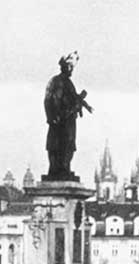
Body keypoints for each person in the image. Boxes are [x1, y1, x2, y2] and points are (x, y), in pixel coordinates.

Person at [44, 51, 92, 180]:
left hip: (69, 120)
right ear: (63, 67)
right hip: (61, 121)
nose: (71, 70)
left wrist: (81, 104)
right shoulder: (57, 81)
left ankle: (64, 168)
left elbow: (74, 98)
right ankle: (57, 170)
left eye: (72, 67)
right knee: (58, 145)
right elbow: (50, 100)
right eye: (69, 67)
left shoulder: (68, 83)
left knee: (69, 144)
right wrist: (54, 117)